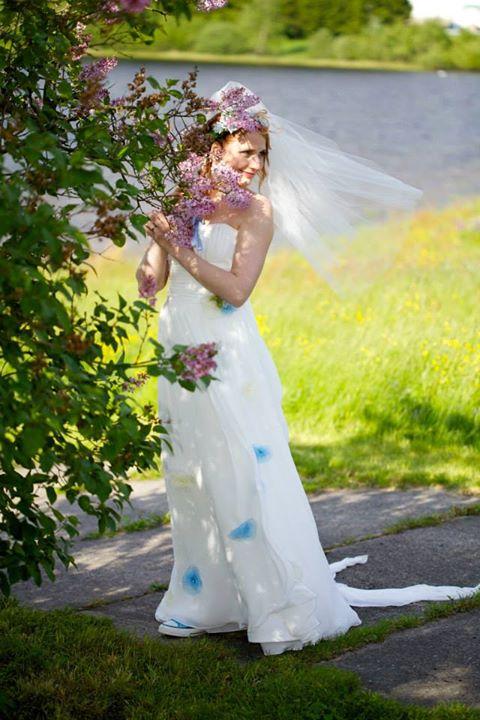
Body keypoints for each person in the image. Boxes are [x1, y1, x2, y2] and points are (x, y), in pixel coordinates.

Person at [136, 82, 479, 656]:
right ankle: (205, 600)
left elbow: (237, 291)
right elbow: (150, 285)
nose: (256, 164)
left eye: (262, 154)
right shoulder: (184, 201)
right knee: (191, 470)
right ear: (214, 148)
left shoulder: (257, 212)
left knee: (241, 466)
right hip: (178, 344)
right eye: (246, 150)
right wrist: (157, 239)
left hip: (226, 349)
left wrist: (181, 248)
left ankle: (274, 601)